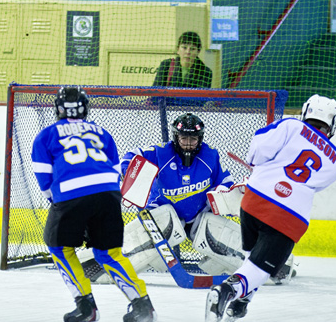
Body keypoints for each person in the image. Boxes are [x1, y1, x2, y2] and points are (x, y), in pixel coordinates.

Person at [83, 113, 295, 284]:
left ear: (200, 138)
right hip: (163, 215)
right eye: (184, 138)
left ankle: (268, 264)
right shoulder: (160, 153)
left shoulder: (210, 156)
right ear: (176, 137)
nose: (188, 143)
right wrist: (129, 170)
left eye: (193, 138)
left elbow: (225, 181)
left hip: (197, 218)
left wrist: (224, 192)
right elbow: (130, 157)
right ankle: (103, 262)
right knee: (164, 219)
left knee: (211, 227)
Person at [205, 94, 336, 322]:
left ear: (305, 112)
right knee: (261, 269)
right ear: (333, 123)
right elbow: (315, 185)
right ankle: (225, 293)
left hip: (254, 200)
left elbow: (258, 148)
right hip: (288, 215)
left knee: (253, 259)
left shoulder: (290, 125)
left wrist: (261, 167)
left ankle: (240, 304)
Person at [31, 86, 159, 322]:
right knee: (109, 253)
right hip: (109, 195)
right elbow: (113, 170)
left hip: (70, 195)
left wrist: (64, 208)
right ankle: (143, 306)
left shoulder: (46, 135)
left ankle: (85, 308)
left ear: (57, 109)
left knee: (59, 246)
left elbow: (45, 181)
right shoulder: (102, 132)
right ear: (85, 108)